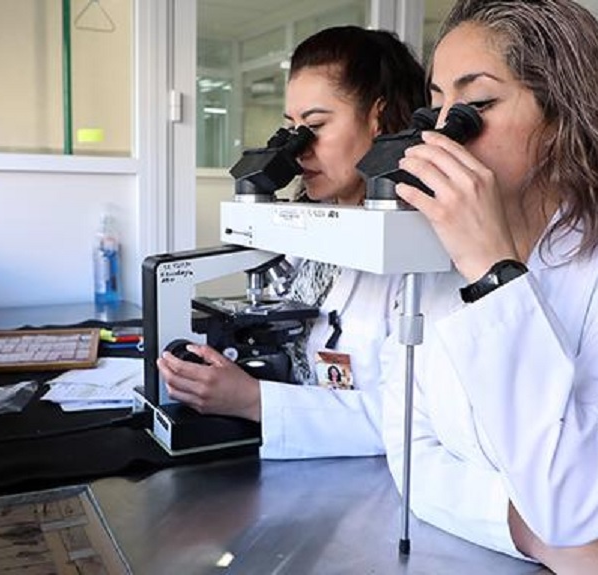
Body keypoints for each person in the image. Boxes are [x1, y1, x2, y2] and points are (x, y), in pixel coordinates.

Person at [381, 0, 598, 573]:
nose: (445, 131)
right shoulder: (433, 263)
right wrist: (526, 531)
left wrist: (493, 273)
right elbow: (408, 452)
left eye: (476, 104)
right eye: (437, 103)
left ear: (564, 117)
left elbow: (579, 501)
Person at [156, 25, 427, 459]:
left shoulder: (418, 250)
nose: (299, 150)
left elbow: (410, 423)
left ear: (380, 119)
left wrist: (251, 399)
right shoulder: (310, 224)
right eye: (291, 129)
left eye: (315, 125)